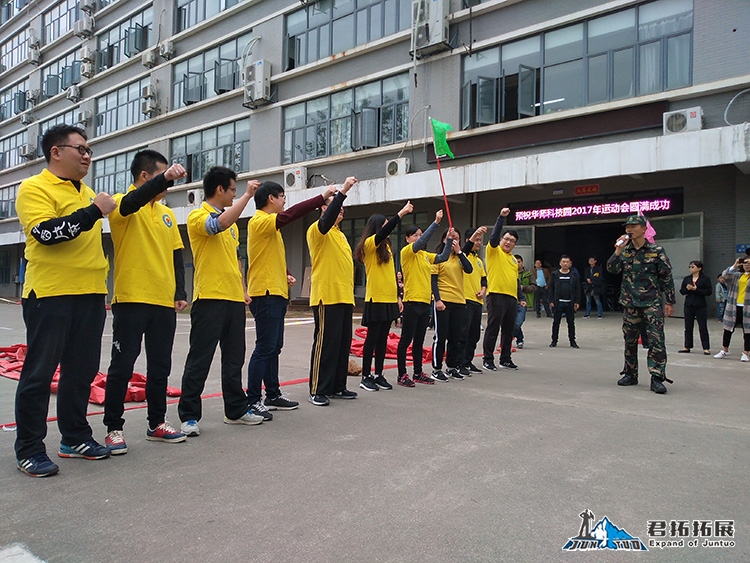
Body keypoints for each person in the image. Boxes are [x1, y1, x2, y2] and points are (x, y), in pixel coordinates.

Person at [14, 124, 116, 477]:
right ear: (56, 152)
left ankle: (74, 436)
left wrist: (161, 182)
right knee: (39, 374)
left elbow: (123, 206)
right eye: (80, 149)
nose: (87, 155)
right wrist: (93, 212)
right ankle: (28, 447)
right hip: (51, 294)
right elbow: (46, 234)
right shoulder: (34, 188)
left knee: (82, 371)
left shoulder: (87, 192)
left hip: (90, 293)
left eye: (89, 150)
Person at [103, 151, 189, 455]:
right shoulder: (122, 203)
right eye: (161, 175)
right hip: (131, 298)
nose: (168, 182)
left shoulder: (166, 214)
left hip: (162, 301)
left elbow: (177, 255)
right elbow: (131, 203)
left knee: (160, 366)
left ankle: (157, 423)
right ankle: (113, 427)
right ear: (144, 176)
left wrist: (180, 291)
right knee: (122, 366)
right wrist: (165, 178)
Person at [178, 167, 264, 437]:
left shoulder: (232, 223)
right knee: (200, 359)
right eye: (233, 190)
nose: (235, 195)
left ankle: (235, 410)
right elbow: (218, 225)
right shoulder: (197, 216)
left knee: (234, 358)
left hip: (233, 299)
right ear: (219, 190)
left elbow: (236, 261)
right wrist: (248, 196)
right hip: (209, 298)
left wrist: (243, 290)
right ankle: (189, 416)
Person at [246, 181, 336, 418]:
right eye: (282, 196)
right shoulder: (260, 221)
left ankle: (272, 395)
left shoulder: (270, 229)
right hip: (264, 294)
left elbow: (267, 257)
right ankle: (252, 400)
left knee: (274, 347)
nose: (284, 201)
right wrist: (321, 197)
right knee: (264, 348)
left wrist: (284, 274)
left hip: (276, 292)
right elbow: (291, 215)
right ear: (270, 199)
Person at [607, 214, 675, 394]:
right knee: (629, 340)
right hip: (630, 302)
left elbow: (666, 276)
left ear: (644, 229)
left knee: (656, 340)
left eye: (633, 226)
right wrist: (617, 250)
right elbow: (611, 269)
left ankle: (657, 377)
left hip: (651, 302)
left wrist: (669, 300)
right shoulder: (625, 250)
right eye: (627, 227)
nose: (629, 229)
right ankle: (630, 374)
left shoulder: (656, 250)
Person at [306, 176, 359, 406]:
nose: (341, 211)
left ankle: (338, 385)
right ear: (323, 209)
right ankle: (318, 388)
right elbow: (326, 221)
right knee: (325, 343)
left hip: (344, 296)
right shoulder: (318, 230)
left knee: (341, 344)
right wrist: (343, 191)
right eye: (336, 207)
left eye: (342, 209)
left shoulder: (341, 235)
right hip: (326, 295)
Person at [354, 201, 413, 391]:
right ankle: (366, 376)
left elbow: (390, 275)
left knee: (383, 339)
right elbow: (382, 233)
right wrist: (402, 213)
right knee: (371, 339)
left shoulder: (386, 247)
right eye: (385, 224)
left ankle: (378, 374)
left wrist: (397, 297)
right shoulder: (370, 244)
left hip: (388, 299)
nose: (388, 228)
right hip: (376, 299)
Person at [396, 210, 450, 387]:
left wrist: (449, 241)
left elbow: (443, 257)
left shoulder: (426, 256)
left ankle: (417, 372)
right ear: (408, 238)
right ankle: (402, 374)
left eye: (420, 234)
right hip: (412, 301)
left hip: (425, 302)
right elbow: (422, 242)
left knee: (419, 340)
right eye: (415, 235)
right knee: (406, 340)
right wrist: (435, 223)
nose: (419, 237)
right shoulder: (407, 252)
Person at [482, 207, 525, 371]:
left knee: (509, 329)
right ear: (501, 240)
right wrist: (501, 217)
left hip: (511, 298)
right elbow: (493, 238)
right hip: (496, 296)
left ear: (515, 244)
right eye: (506, 239)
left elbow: (515, 280)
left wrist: (520, 296)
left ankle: (505, 358)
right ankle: (488, 359)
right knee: (493, 328)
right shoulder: (493, 252)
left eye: (512, 241)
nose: (508, 242)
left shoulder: (514, 260)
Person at [430, 229, 473, 381]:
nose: (455, 240)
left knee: (456, 337)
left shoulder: (459, 258)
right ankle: (436, 369)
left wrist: (460, 252)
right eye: (452, 238)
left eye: (457, 238)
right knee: (440, 336)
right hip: (444, 301)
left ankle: (452, 366)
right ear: (444, 240)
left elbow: (469, 269)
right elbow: (433, 280)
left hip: (459, 301)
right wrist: (438, 300)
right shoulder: (438, 258)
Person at [461, 227, 488, 373]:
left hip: (477, 301)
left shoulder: (478, 260)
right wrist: (476, 233)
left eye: (480, 240)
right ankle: (459, 363)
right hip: (465, 299)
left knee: (474, 335)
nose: (478, 243)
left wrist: (483, 290)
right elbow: (465, 249)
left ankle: (468, 361)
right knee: (463, 334)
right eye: (476, 239)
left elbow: (484, 279)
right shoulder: (462, 256)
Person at [713, 257, 750, 362]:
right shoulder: (737, 275)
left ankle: (746, 353)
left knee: (747, 331)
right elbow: (724, 276)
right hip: (733, 305)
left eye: (749, 263)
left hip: (747, 307)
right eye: (745, 263)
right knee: (728, 328)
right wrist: (735, 265)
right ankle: (725, 350)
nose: (747, 265)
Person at [677, 260, 712, 355]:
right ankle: (687, 346)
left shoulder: (705, 279)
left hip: (700, 305)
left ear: (699, 268)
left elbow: (708, 291)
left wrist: (696, 289)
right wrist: (687, 289)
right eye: (690, 267)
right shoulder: (687, 279)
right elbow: (682, 291)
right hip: (689, 305)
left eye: (693, 267)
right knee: (688, 326)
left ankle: (706, 347)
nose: (691, 268)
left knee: (702, 326)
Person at [549, 255, 580, 348]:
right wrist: (551, 300)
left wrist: (577, 301)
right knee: (556, 322)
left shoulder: (574, 275)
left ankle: (572, 341)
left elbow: (578, 289)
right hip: (558, 302)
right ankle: (554, 341)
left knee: (571, 323)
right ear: (560, 263)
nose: (565, 264)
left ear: (570, 263)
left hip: (570, 303)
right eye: (563, 262)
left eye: (567, 262)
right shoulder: (555, 274)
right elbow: (551, 288)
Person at [513, 256, 536, 349]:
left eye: (519, 262)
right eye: (516, 262)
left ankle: (509, 338)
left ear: (522, 262)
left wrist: (523, 288)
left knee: (518, 322)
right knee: (513, 323)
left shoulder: (528, 273)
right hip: (512, 301)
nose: (517, 264)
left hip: (523, 301)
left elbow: (534, 286)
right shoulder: (510, 272)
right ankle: (520, 340)